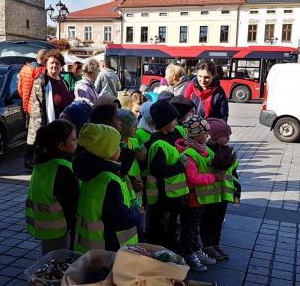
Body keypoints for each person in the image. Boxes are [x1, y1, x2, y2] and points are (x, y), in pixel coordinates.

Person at [73, 123, 143, 253]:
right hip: (109, 247)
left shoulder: (91, 171)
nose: (120, 149)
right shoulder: (109, 180)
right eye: (116, 145)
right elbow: (118, 218)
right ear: (107, 150)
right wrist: (136, 213)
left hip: (91, 245)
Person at [175, 115, 224, 272]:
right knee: (189, 228)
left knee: (194, 228)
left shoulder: (203, 149)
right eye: (205, 133)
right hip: (192, 199)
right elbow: (193, 177)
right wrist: (214, 177)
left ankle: (195, 249)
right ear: (195, 135)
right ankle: (188, 255)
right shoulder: (189, 153)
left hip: (202, 198)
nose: (208, 136)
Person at [25, 120, 80, 255]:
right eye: (74, 139)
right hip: (58, 227)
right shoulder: (62, 168)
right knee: (58, 263)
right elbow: (71, 203)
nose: (77, 142)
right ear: (61, 146)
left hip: (43, 225)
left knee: (49, 259)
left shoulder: (42, 162)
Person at [146, 100, 189, 247]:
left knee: (168, 229)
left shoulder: (166, 139)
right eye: (174, 120)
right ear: (164, 122)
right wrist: (181, 167)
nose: (176, 123)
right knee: (161, 231)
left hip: (169, 196)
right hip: (163, 197)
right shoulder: (160, 144)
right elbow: (159, 171)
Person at [26, 49, 73, 169]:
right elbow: (38, 110)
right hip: (49, 128)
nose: (54, 66)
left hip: (62, 128)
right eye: (52, 62)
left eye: (57, 63)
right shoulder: (42, 81)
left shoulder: (62, 81)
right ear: (46, 64)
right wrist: (42, 135)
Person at [201, 118, 240, 261]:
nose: (228, 138)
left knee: (218, 220)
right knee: (207, 219)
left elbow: (234, 174)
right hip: (210, 193)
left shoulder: (228, 151)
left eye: (229, 135)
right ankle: (207, 245)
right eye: (225, 135)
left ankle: (216, 243)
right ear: (214, 136)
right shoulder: (206, 151)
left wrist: (237, 189)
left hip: (225, 193)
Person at [18, 48, 47, 169]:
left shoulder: (25, 68)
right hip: (36, 106)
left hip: (27, 105)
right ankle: (31, 160)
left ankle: (28, 159)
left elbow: (20, 87)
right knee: (36, 135)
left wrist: (26, 102)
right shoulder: (41, 70)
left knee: (30, 134)